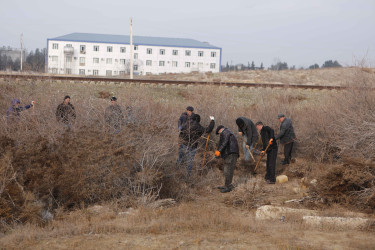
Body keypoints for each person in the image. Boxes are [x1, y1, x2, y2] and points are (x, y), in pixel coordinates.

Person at [215, 125, 239, 193]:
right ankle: (226, 185)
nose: (219, 134)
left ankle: (228, 187)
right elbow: (224, 143)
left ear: (220, 130)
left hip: (231, 153)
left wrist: (219, 150)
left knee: (228, 170)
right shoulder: (228, 132)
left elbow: (224, 142)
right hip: (231, 153)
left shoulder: (225, 132)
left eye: (219, 133)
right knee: (227, 170)